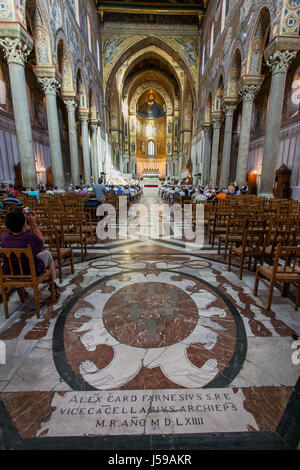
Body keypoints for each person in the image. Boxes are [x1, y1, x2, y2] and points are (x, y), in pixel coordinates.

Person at [1, 210, 59, 297]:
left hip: (11, 272)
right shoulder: (30, 239)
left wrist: (19, 219)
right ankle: (54, 284)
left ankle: (21, 289)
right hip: (30, 271)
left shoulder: (4, 236)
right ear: (24, 225)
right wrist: (33, 224)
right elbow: (42, 243)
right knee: (48, 254)